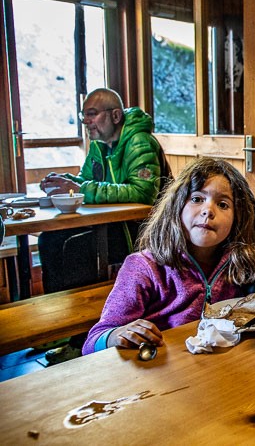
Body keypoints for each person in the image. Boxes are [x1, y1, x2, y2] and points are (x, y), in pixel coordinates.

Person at [38, 88, 171, 363]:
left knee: (76, 247)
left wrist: (81, 188)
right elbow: (86, 179)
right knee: (49, 240)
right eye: (83, 116)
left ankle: (83, 334)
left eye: (92, 114)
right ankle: (60, 327)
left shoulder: (139, 142)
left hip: (142, 231)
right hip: (113, 226)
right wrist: (62, 181)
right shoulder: (99, 146)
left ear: (115, 115)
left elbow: (143, 192)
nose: (87, 122)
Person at [83, 157, 255, 354]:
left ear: (239, 218)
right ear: (177, 207)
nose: (208, 211)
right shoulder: (143, 268)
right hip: (158, 373)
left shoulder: (240, 264)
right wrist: (115, 335)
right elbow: (91, 344)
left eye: (223, 204)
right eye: (197, 199)